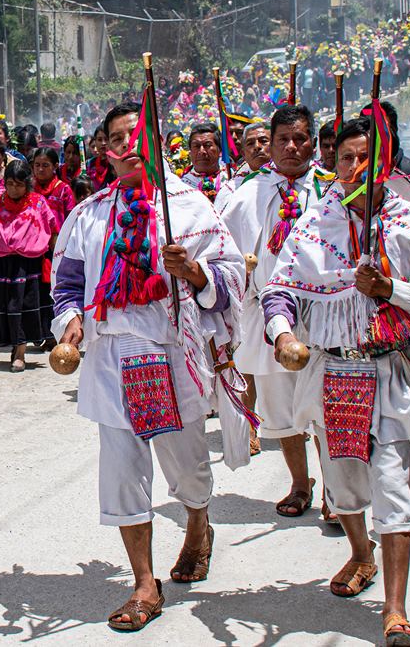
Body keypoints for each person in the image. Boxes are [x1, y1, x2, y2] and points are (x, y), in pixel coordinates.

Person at [262, 115, 410, 647]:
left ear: (384, 162)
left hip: (389, 371)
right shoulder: (313, 223)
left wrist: (392, 288)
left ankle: (395, 609)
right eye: (344, 159)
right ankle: (359, 550)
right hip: (333, 374)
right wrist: (281, 335)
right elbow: (279, 289)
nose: (353, 169)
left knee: (393, 488)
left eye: (363, 158)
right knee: (345, 487)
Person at [52, 102, 245, 632]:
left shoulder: (189, 207)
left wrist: (198, 274)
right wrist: (71, 321)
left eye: (136, 136)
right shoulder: (89, 213)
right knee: (121, 472)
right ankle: (143, 582)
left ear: (158, 141)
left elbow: (233, 279)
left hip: (169, 356)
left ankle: (198, 523)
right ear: (104, 150)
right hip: (112, 358)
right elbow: (67, 284)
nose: (127, 146)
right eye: (116, 139)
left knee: (184, 464)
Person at [220, 105, 334, 521]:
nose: (291, 146)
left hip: (321, 316)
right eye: (282, 138)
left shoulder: (332, 189)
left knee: (323, 407)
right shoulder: (248, 191)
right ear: (270, 142)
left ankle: (336, 493)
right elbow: (226, 253)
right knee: (281, 410)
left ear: (313, 142)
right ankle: (300, 484)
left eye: (300, 138)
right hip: (266, 314)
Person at [0, 159, 57, 372]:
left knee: (23, 306)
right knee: (7, 307)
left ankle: (21, 352)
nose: (14, 188)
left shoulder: (38, 203)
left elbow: (52, 230)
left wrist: (56, 261)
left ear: (27, 184)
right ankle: (15, 348)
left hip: (29, 264)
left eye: (19, 184)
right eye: (10, 183)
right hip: (1, 263)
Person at [178, 123, 228, 203]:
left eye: (207, 145)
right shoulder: (181, 185)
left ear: (220, 149)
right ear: (190, 151)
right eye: (196, 146)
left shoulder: (230, 179)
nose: (202, 151)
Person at [31, 147, 76, 225]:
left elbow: (71, 219)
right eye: (37, 165)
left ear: (55, 166)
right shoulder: (29, 188)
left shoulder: (64, 190)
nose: (40, 169)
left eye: (45, 165)